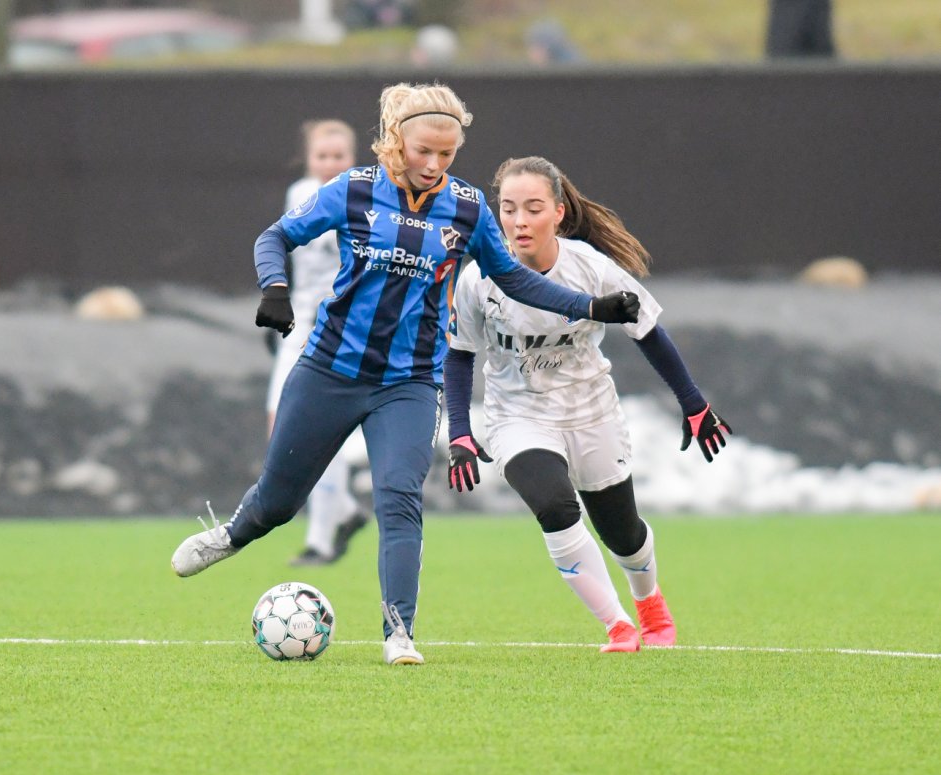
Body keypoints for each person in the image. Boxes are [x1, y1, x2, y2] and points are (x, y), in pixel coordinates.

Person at [171, 82, 640, 666]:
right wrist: (274, 287)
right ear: (396, 140)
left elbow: (514, 279)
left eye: (447, 153)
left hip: (411, 383)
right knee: (278, 503)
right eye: (424, 151)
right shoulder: (353, 189)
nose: (435, 164)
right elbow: (275, 237)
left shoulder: (467, 207)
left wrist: (589, 306)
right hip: (329, 371)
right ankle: (232, 534)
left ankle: (399, 633)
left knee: (398, 499)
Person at [444, 156, 732, 652]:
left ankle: (649, 603)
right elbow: (459, 354)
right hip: (518, 416)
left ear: (558, 212)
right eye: (508, 209)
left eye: (533, 208)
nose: (519, 221)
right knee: (554, 507)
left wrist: (693, 404)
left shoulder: (590, 267)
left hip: (590, 411)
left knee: (622, 534)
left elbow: (648, 332)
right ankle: (618, 625)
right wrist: (460, 431)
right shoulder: (478, 279)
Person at [268, 119, 370, 568]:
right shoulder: (299, 193)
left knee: (319, 429)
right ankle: (344, 512)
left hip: (339, 327)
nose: (330, 163)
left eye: (338, 156)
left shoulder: (365, 196)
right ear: (308, 159)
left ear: (353, 158)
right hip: (300, 323)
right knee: (281, 429)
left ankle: (321, 540)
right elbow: (291, 253)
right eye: (321, 156)